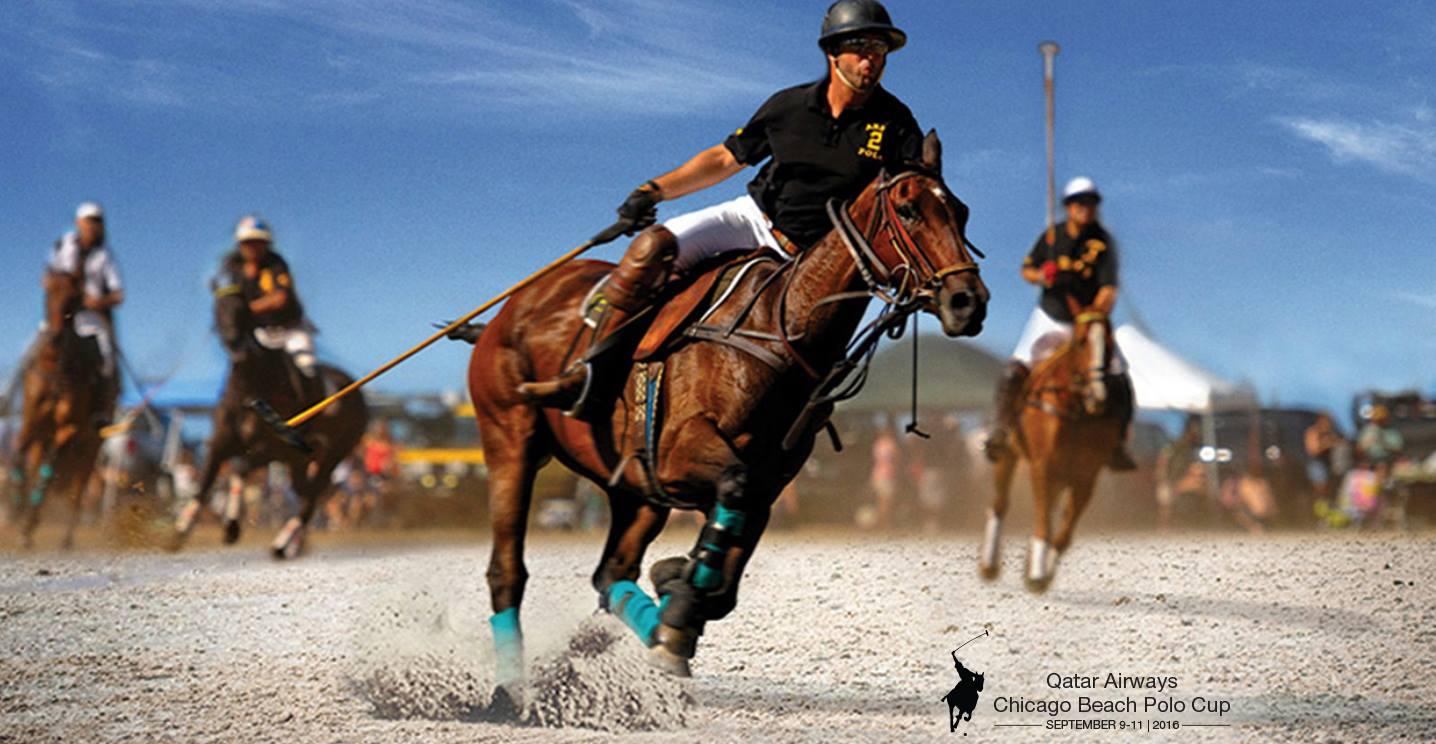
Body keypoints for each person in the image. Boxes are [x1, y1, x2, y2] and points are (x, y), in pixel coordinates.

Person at [518, 0, 925, 411]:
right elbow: (724, 159)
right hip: (754, 221)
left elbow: (915, 196)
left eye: (879, 50)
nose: (870, 60)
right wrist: (653, 190)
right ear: (832, 52)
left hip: (821, 261)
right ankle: (589, 372)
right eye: (860, 47)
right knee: (654, 247)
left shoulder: (896, 123)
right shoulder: (788, 107)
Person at [984, 177, 1136, 470]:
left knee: (1119, 376)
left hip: (1088, 322)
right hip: (1050, 317)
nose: (1085, 208)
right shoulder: (1052, 237)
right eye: (1079, 203)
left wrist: (1094, 315)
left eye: (1091, 203)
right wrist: (1043, 276)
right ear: (1068, 206)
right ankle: (1000, 430)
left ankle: (1117, 444)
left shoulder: (1103, 242)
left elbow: (1108, 289)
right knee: (1014, 370)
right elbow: (1026, 269)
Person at [43, 202, 126, 425]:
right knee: (33, 351)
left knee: (105, 356)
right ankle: (10, 398)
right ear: (79, 223)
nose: (93, 226)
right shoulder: (64, 244)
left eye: (97, 221)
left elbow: (119, 294)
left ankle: (100, 410)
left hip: (90, 319)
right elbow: (48, 275)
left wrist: (98, 301)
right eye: (89, 220)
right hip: (61, 315)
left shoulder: (105, 256)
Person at [221, 215, 320, 401]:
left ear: (266, 243)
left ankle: (314, 412)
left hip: (290, 329)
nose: (252, 247)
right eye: (247, 243)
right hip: (257, 332)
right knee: (240, 368)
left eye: (258, 242)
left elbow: (279, 299)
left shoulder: (276, 263)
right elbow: (224, 297)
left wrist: (245, 309)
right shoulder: (232, 267)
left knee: (306, 364)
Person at [1304, 412, 1340, 506]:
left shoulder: (1329, 434)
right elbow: (1313, 450)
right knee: (1320, 490)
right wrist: (1326, 444)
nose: (1329, 425)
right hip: (1316, 464)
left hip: (1327, 465)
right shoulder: (1313, 432)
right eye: (1328, 422)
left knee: (1328, 490)